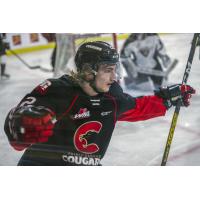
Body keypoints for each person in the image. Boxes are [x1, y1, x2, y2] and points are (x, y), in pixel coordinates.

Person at [4, 41, 195, 166]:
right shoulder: (56, 90)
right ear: (88, 71)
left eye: (115, 69)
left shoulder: (111, 95)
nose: (114, 76)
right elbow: (20, 124)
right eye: (108, 70)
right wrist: (23, 123)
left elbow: (135, 107)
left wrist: (167, 98)